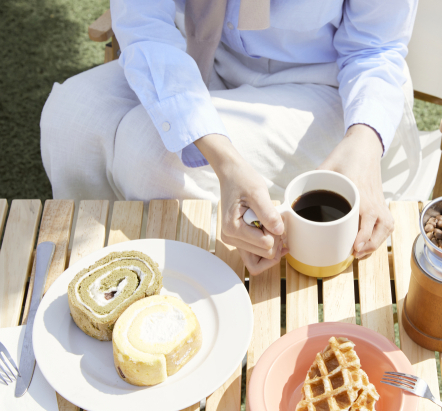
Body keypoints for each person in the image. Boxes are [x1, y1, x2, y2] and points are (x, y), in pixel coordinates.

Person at [40, 0, 420, 275]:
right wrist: (225, 159)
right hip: (207, 53)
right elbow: (145, 26)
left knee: (149, 153)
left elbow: (376, 48)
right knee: (71, 118)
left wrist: (365, 140)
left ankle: (194, 298)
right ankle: (92, 284)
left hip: (328, 83)